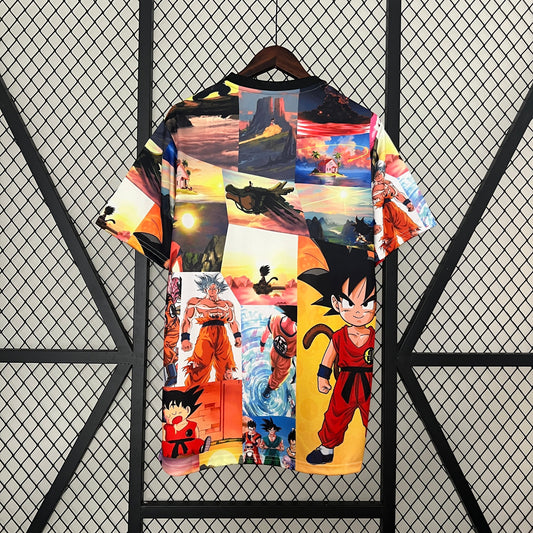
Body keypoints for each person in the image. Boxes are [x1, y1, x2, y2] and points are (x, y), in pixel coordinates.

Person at [298, 241, 376, 465]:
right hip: (345, 382)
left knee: (370, 414)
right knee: (335, 415)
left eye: (367, 304)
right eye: (350, 304)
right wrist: (322, 378)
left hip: (368, 380)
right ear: (336, 303)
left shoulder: (373, 334)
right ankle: (326, 448)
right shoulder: (339, 336)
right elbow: (328, 358)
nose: (358, 311)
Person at [181, 274, 241, 385]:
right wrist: (185, 338)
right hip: (206, 335)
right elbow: (186, 320)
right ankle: (192, 391)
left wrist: (237, 336)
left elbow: (233, 322)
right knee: (199, 366)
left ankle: (224, 391)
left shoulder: (227, 305)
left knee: (226, 368)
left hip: (222, 336)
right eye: (210, 288)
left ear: (218, 289)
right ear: (205, 289)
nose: (212, 291)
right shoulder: (196, 302)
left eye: (214, 288)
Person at [161, 386, 211, 458]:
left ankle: (201, 448)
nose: (173, 416)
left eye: (176, 413)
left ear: (187, 410)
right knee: (165, 445)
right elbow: (164, 440)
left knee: (197, 442)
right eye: (169, 415)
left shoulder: (192, 425)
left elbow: (196, 437)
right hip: (172, 448)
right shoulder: (166, 428)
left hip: (188, 446)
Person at [260, 305, 297, 399]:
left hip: (274, 351)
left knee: (273, 365)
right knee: (278, 378)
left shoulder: (276, 318)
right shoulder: (297, 336)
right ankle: (267, 391)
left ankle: (272, 373)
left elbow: (266, 332)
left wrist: (262, 344)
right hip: (284, 361)